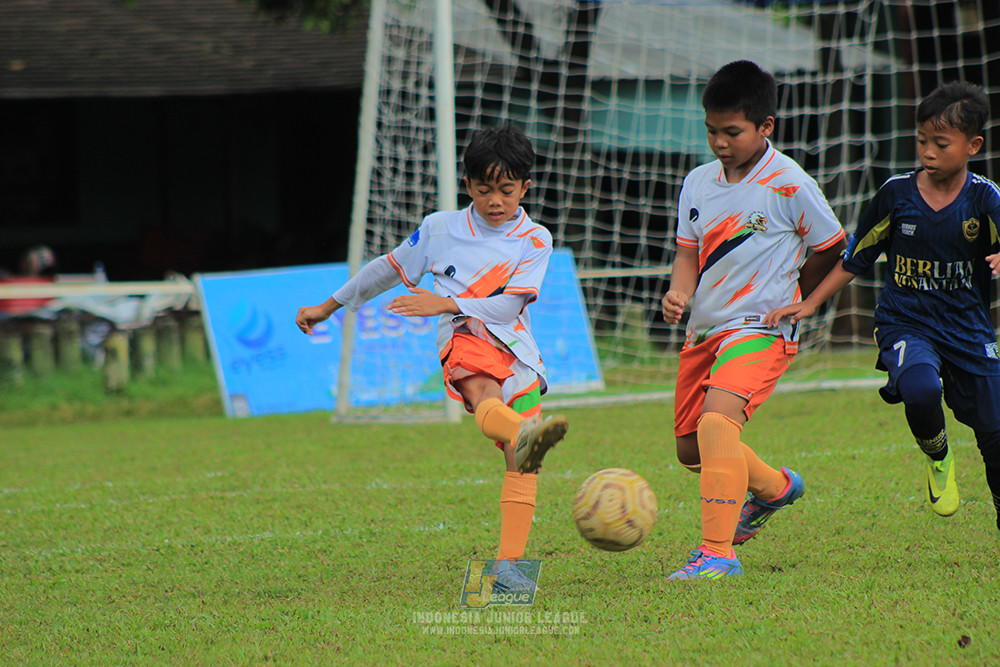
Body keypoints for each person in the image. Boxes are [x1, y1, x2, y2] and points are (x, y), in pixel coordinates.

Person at [295, 125, 568, 592]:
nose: (495, 201)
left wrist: (443, 301)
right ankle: (523, 432)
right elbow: (388, 268)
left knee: (518, 462)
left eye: (506, 190)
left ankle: (509, 570)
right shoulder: (441, 228)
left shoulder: (534, 238)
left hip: (517, 347)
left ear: (525, 186)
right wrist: (328, 306)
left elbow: (507, 307)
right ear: (468, 185)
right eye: (484, 190)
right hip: (465, 336)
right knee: (483, 393)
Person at [766, 81, 1000, 543]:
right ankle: (938, 456)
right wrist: (811, 302)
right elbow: (856, 257)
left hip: (969, 330)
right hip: (905, 321)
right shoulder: (896, 195)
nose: (928, 152)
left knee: (996, 434)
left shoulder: (986, 199)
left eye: (941, 143)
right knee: (918, 388)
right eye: (921, 141)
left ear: (972, 146)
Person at [660, 60, 847, 580]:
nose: (720, 142)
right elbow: (687, 253)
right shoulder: (697, 183)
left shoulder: (789, 184)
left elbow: (832, 247)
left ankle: (717, 553)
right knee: (691, 449)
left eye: (732, 132)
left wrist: (799, 297)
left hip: (760, 329)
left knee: (718, 423)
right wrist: (679, 292)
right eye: (711, 131)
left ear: (765, 126)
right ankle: (774, 488)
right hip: (705, 331)